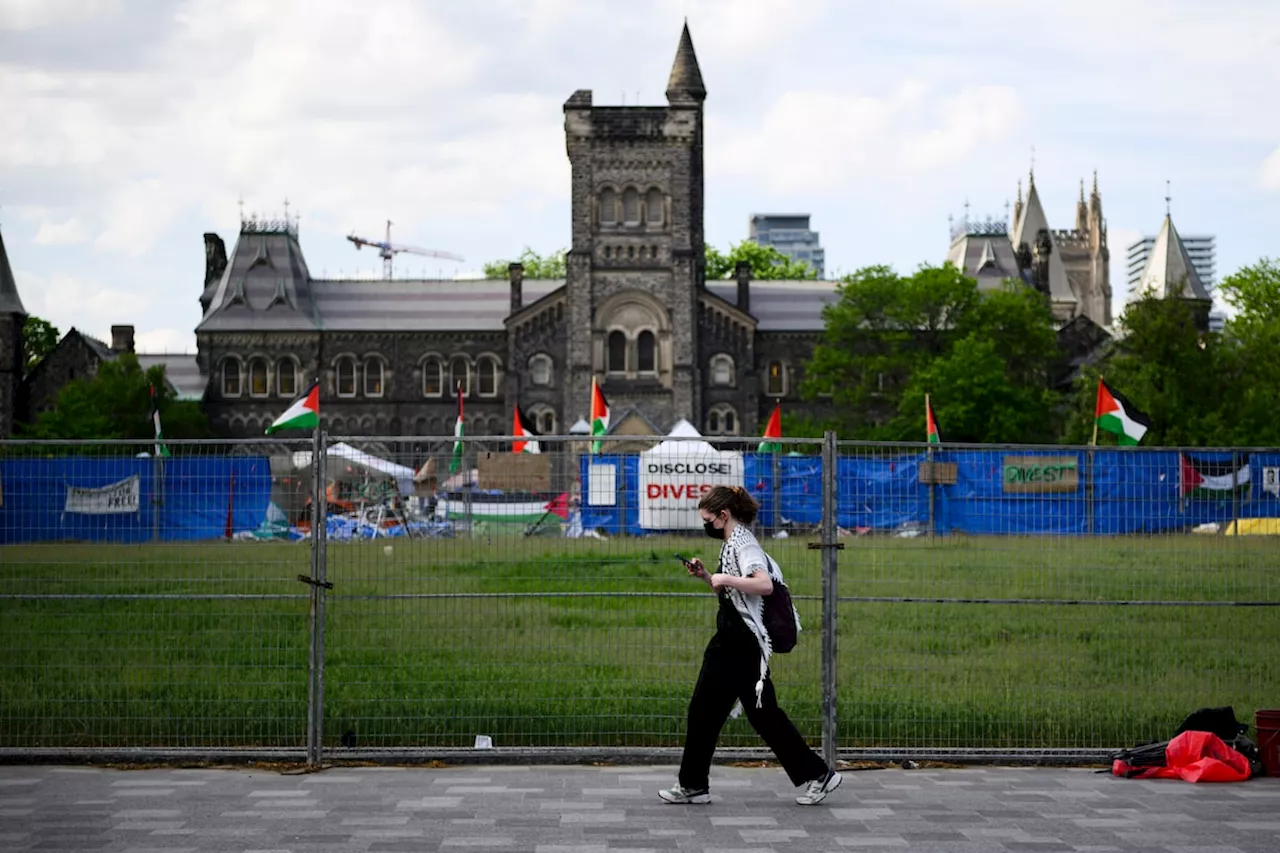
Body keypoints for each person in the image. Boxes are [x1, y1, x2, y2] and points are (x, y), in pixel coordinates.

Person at [659, 485, 842, 806]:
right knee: (727, 713)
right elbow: (736, 596)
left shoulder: (744, 544)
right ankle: (693, 784)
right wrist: (706, 576)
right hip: (735, 641)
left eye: (708, 519)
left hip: (738, 644)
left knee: (720, 713)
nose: (706, 526)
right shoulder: (734, 542)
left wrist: (725, 579)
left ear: (723, 515)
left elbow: (763, 584)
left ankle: (694, 785)